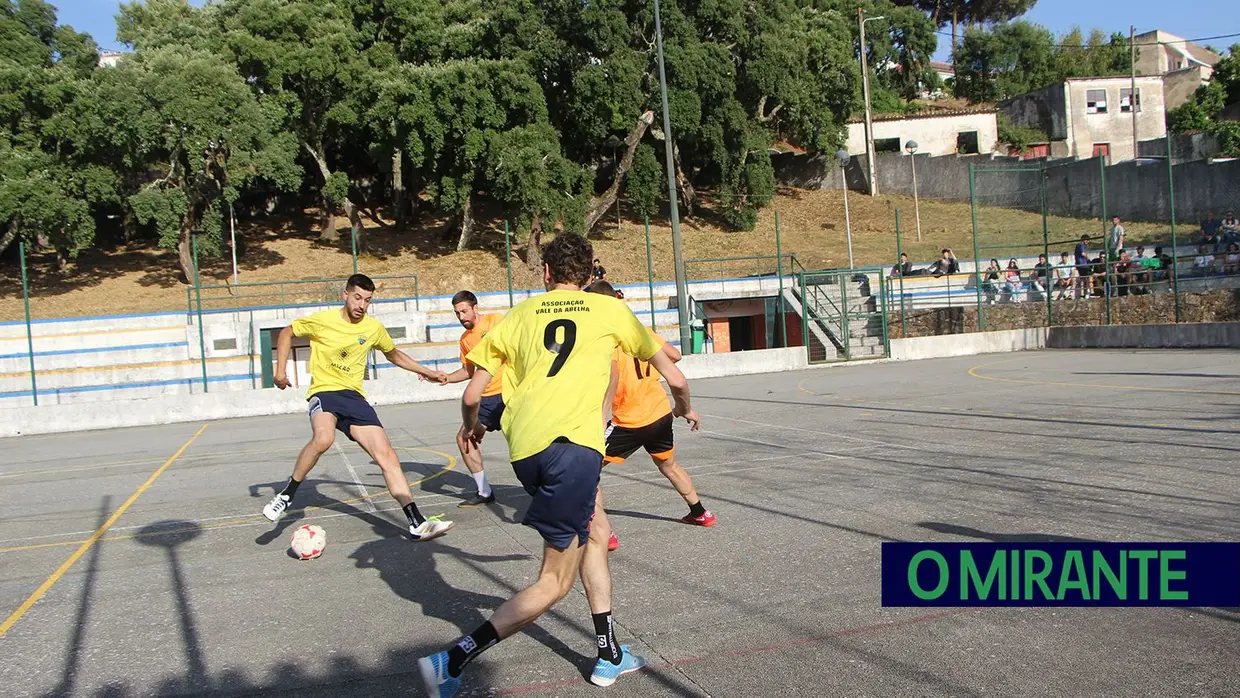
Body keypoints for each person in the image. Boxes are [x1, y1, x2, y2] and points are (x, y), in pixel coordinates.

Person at [419, 234, 700, 697]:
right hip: (573, 450)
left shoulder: (517, 316)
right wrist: (683, 406)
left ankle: (608, 651)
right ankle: (451, 660)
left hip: (527, 449)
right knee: (554, 581)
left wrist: (471, 427)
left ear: (546, 272)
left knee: (596, 529)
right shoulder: (610, 310)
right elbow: (677, 375)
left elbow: (472, 394)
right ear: (590, 275)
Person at [263, 274, 455, 541]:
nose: (362, 305)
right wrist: (279, 371)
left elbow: (393, 353)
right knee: (324, 438)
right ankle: (286, 495)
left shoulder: (373, 328)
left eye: (367, 300)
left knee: (387, 456)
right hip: (325, 392)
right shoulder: (322, 320)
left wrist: (425, 371)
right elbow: (287, 332)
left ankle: (416, 522)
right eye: (357, 298)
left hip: (354, 398)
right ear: (345, 294)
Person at [585, 279, 715, 551]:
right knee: (669, 466)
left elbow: (612, 376)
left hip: (628, 421)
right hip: (659, 414)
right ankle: (700, 513)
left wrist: (598, 419)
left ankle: (603, 532)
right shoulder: (640, 330)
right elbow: (675, 356)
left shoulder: (606, 338)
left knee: (588, 470)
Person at [441, 290, 506, 507]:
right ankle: (484, 491)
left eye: (464, 311)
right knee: (463, 438)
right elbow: (469, 371)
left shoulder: (495, 321)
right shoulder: (465, 340)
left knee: (524, 439)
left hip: (508, 393)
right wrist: (447, 378)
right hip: (485, 398)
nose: (461, 317)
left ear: (475, 308)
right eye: (457, 313)